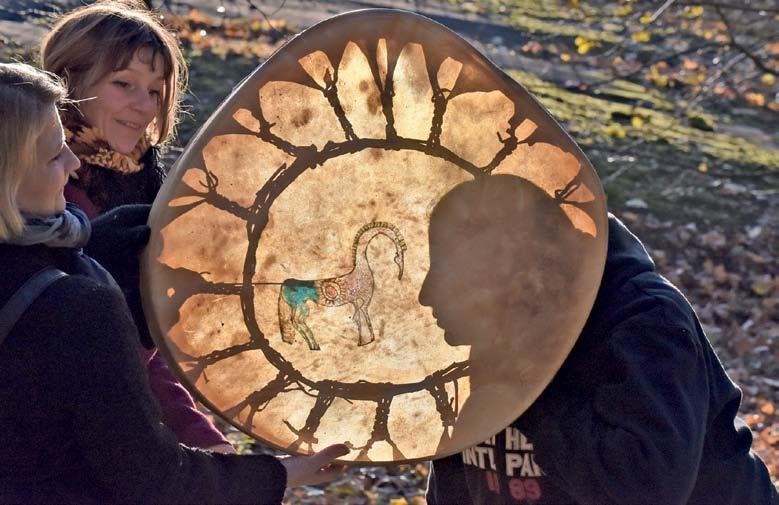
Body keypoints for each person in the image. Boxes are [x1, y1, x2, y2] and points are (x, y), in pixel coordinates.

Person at [0, 61, 348, 503]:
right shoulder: (76, 307)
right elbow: (158, 479)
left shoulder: (71, 283)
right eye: (53, 155)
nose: (71, 165)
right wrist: (282, 473)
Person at [422, 175, 778, 504]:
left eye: (444, 268)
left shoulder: (647, 324)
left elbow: (646, 492)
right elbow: (456, 488)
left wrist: (526, 391)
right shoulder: (496, 335)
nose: (426, 295)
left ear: (501, 276)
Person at [40, 0, 234, 453]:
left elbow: (147, 346)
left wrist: (205, 444)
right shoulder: (32, 187)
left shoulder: (149, 185)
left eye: (154, 90)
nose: (143, 106)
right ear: (68, 82)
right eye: (123, 83)